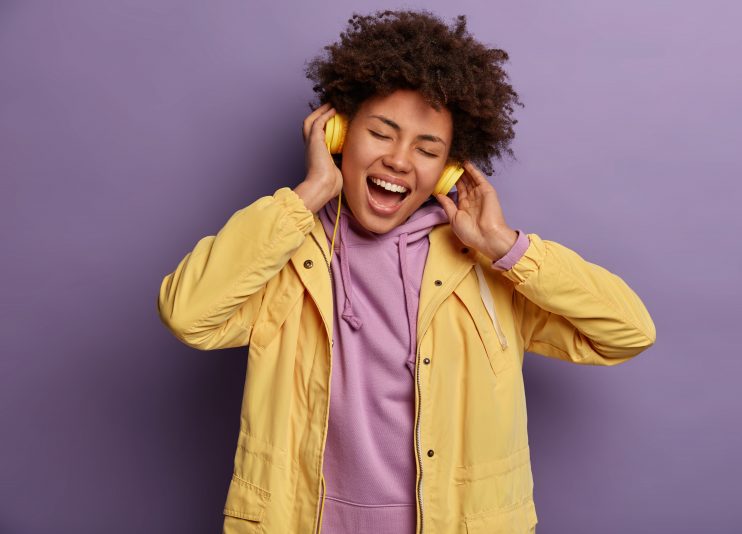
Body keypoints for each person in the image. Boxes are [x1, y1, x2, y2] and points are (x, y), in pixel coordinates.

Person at [157, 10, 656, 534]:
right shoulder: (285, 253)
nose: (399, 160)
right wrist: (305, 198)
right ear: (338, 135)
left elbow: (627, 332)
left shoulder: (484, 270)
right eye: (381, 133)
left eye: (427, 149)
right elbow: (189, 315)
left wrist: (507, 247)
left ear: (449, 168)